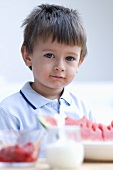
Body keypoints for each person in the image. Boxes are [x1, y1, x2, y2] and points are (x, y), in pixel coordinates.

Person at [0, 4, 95, 156]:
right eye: (49, 55)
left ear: (79, 63)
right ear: (27, 55)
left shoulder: (83, 109)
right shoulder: (10, 110)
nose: (60, 67)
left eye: (70, 58)